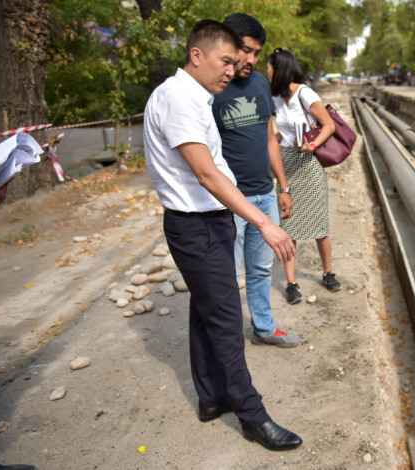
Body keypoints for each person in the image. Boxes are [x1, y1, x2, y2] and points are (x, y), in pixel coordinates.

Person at [143, 19, 301, 452]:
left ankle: (212, 397)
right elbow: (207, 174)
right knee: (228, 321)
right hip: (197, 225)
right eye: (225, 61)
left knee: (205, 310)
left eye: (237, 61)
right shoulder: (178, 98)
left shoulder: (195, 96)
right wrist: (265, 222)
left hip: (207, 221)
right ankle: (253, 416)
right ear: (197, 55)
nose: (232, 70)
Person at [213, 13, 298, 348]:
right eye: (245, 50)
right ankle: (228, 342)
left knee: (262, 269)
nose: (250, 59)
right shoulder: (212, 88)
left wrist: (283, 186)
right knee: (230, 276)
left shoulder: (261, 84)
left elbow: (270, 139)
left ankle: (264, 328)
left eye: (256, 53)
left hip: (265, 194)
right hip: (230, 201)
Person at [266, 48, 340, 304]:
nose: (267, 71)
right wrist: (270, 143)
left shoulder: (305, 93)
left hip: (309, 162)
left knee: (319, 224)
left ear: (280, 68)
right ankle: (291, 283)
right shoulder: (276, 98)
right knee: (289, 226)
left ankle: (328, 272)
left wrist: (313, 145)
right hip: (286, 163)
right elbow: (282, 134)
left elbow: (329, 125)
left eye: (269, 67)